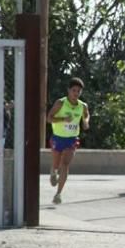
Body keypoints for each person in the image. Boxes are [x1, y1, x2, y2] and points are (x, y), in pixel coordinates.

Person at [46, 77, 90, 205]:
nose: (76, 93)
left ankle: (58, 194)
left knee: (65, 164)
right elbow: (49, 118)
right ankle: (53, 172)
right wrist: (63, 119)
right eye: (74, 90)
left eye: (79, 91)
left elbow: (86, 114)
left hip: (71, 139)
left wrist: (85, 122)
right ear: (68, 90)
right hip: (58, 137)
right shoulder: (60, 103)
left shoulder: (82, 106)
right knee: (56, 163)